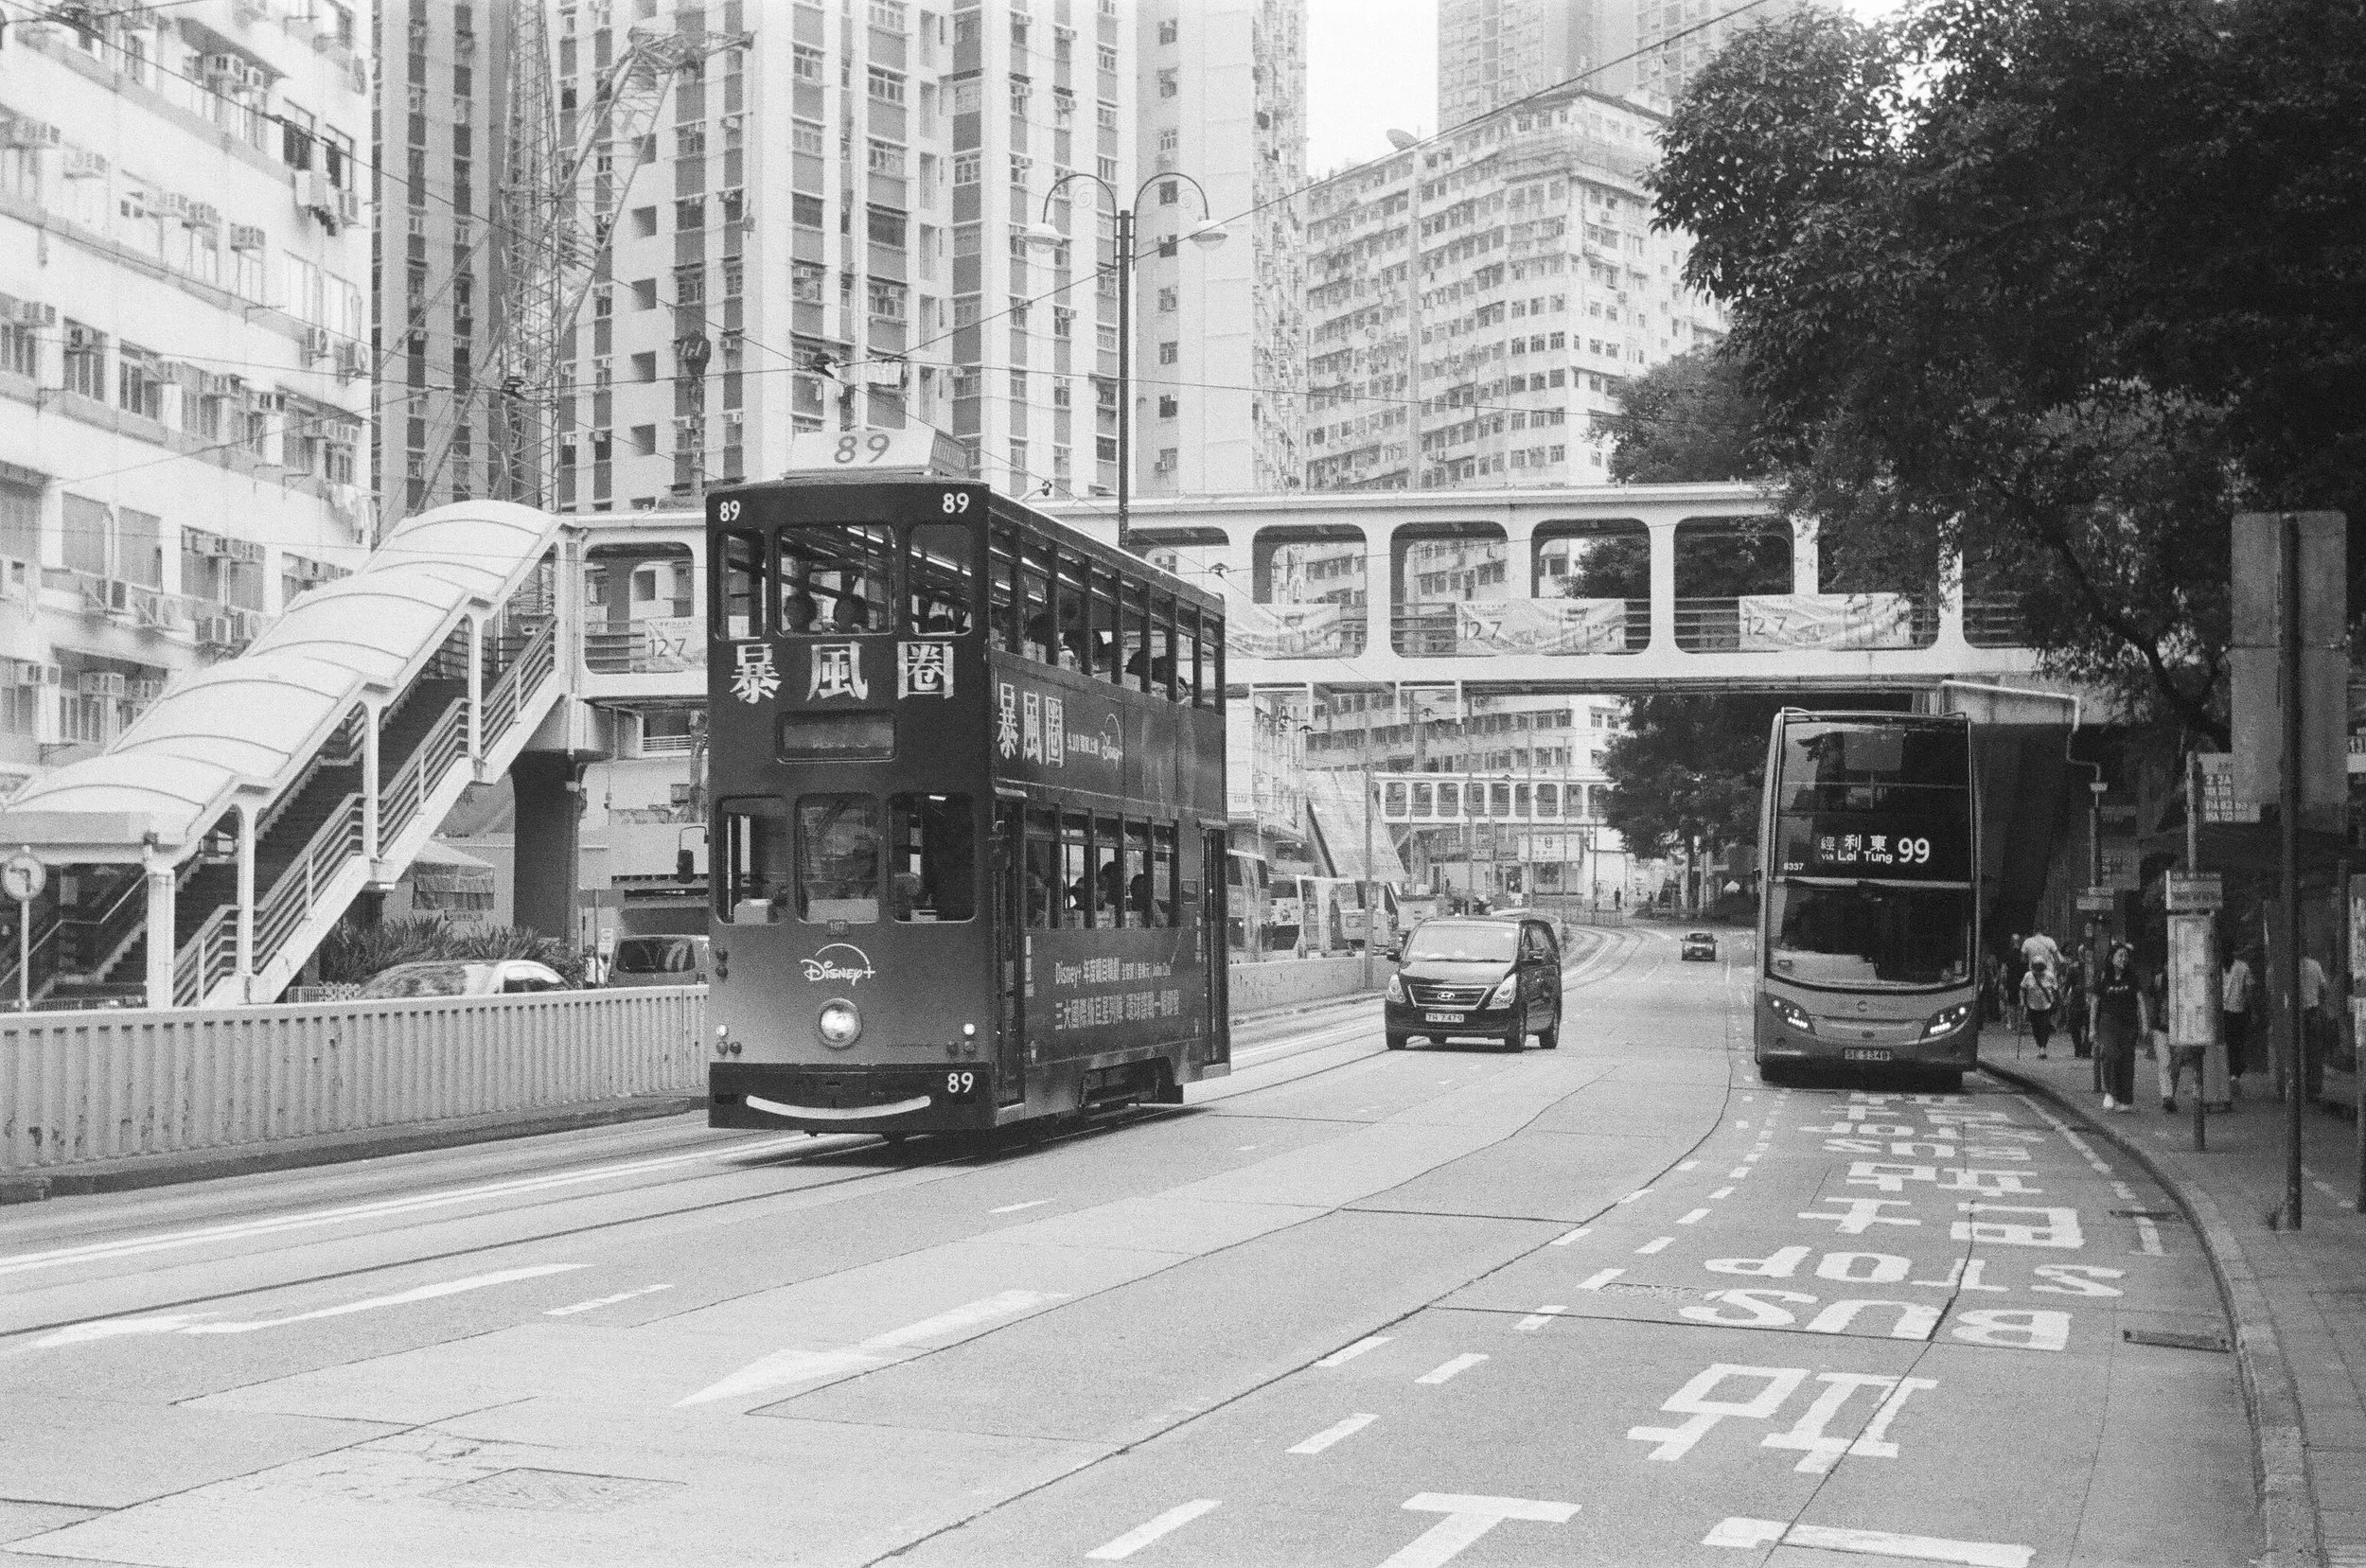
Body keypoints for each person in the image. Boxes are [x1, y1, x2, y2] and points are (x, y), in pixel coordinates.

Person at [2092, 943, 2149, 1113]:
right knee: (2111, 1055)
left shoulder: (2131, 978)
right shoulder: (2103, 977)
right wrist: (2092, 1028)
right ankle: (2110, 1091)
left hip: (2129, 1024)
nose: (2123, 959)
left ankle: (2125, 1100)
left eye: (2126, 956)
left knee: (2127, 1061)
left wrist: (2145, 1023)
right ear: (2112, 958)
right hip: (2108, 1023)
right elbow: (2095, 1003)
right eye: (2120, 956)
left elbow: (2140, 1001)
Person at [2221, 945, 2254, 1093]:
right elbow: (2248, 992)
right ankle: (2235, 1074)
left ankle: (2227, 1073)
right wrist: (2251, 1010)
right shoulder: (2243, 967)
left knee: (2225, 1043)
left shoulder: (2217, 966)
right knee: (2238, 1043)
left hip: (2222, 1012)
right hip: (2238, 1011)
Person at [2302, 948, 2330, 1101]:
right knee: (2315, 1050)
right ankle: (2314, 1088)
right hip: (2313, 1011)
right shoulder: (2315, 965)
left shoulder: (2291, 967)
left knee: (2301, 1051)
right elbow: (2324, 987)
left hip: (2298, 1014)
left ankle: (2302, 1086)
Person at [2021, 960, 2061, 1060]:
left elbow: (2056, 989)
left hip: (2046, 1006)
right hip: (2032, 1005)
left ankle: (2043, 1048)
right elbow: (2022, 989)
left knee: (2045, 1027)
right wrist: (2022, 1002)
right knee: (2036, 1028)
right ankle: (2040, 1046)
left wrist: (2056, 1002)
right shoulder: (2028, 976)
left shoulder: (2049, 976)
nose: (2038, 973)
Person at [2061, 943, 2092, 1059]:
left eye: (2085, 953)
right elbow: (2068, 984)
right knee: (2074, 1026)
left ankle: (2087, 1049)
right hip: (2077, 1001)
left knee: (2090, 1026)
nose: (2083, 956)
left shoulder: (2093, 968)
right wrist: (2064, 996)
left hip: (2089, 1000)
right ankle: (2078, 1048)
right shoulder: (2074, 968)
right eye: (2081, 953)